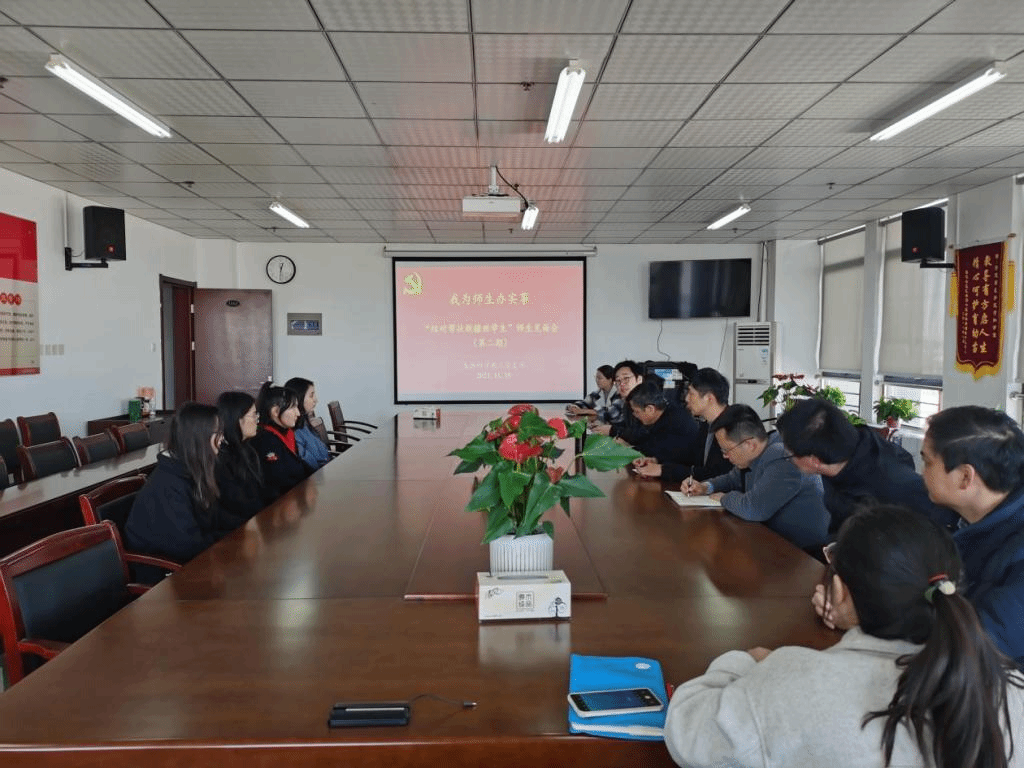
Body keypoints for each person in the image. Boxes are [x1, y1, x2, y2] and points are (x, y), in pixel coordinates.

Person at [665, 503, 1024, 768]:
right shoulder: (1010, 687)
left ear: (839, 591)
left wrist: (746, 663)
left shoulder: (797, 682)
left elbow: (687, 733)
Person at [776, 397, 957, 532]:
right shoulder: (842, 451)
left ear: (814, 461)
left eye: (789, 454)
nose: (788, 458)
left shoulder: (895, 486)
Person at [682, 404, 828, 551]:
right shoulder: (760, 450)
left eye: (726, 450)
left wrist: (723, 498)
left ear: (749, 444)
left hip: (800, 552)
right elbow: (732, 479)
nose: (725, 456)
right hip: (770, 540)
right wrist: (705, 487)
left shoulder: (783, 457)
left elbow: (753, 509)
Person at [125, 402, 234, 564]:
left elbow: (213, 521)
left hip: (197, 558)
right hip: (167, 570)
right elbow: (188, 547)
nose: (222, 439)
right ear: (199, 437)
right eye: (217, 433)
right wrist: (228, 543)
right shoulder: (168, 485)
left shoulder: (191, 470)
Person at [634, 366, 732, 483]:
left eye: (691, 393)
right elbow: (691, 457)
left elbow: (714, 474)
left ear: (709, 398)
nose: (686, 399)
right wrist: (657, 461)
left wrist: (663, 470)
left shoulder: (731, 427)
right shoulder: (707, 424)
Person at [251, 383, 312, 502]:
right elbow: (279, 480)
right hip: (281, 503)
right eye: (293, 407)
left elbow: (299, 464)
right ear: (275, 411)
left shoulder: (287, 432)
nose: (298, 413)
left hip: (296, 496)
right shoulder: (265, 440)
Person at [215, 391, 265, 522]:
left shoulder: (248, 449)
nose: (257, 420)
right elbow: (237, 505)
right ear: (237, 418)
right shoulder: (221, 458)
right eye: (253, 415)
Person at [622, 381, 698, 466]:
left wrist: (630, 448)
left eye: (637, 411)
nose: (635, 415)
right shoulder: (666, 412)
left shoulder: (674, 422)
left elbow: (651, 449)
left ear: (650, 409)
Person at [591, 360, 646, 443]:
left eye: (626, 378)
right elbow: (626, 426)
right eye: (618, 381)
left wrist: (612, 430)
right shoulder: (627, 403)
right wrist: (605, 426)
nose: (622, 384)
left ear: (639, 379)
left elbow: (643, 435)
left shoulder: (646, 402)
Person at [284, 376, 332, 470]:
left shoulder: (305, 424)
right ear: (299, 398)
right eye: (311, 395)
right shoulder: (294, 432)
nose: (316, 400)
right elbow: (311, 466)